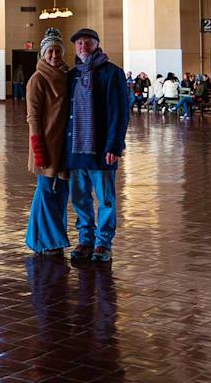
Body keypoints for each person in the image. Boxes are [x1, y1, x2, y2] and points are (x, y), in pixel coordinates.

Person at [65, 28, 130, 264]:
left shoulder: (113, 74)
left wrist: (114, 145)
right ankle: (85, 239)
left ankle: (103, 243)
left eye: (87, 42)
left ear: (97, 45)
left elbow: (119, 112)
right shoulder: (71, 75)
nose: (83, 46)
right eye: (79, 43)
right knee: (80, 198)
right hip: (76, 149)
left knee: (105, 199)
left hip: (102, 149)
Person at [25, 28, 71, 255]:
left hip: (66, 144)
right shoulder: (37, 79)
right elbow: (32, 117)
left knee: (63, 191)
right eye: (50, 51)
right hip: (45, 144)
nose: (54, 55)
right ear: (43, 54)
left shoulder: (68, 76)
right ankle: (52, 241)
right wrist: (38, 147)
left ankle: (38, 239)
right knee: (44, 191)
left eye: (58, 51)